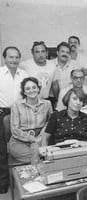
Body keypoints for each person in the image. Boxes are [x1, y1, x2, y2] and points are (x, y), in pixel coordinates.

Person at [0, 46, 28, 194]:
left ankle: (24, 182)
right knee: (2, 150)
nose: (14, 60)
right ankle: (3, 184)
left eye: (17, 57)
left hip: (20, 112)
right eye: (11, 57)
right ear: (5, 58)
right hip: (1, 112)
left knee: (20, 144)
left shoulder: (24, 74)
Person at [9, 77, 52, 164]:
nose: (31, 90)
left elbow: (50, 123)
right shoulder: (17, 105)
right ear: (24, 92)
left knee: (40, 152)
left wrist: (41, 137)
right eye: (27, 89)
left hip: (41, 139)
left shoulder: (47, 104)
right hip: (19, 141)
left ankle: (33, 174)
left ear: (38, 89)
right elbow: (15, 129)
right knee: (41, 155)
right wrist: (33, 140)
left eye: (34, 87)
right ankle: (39, 173)